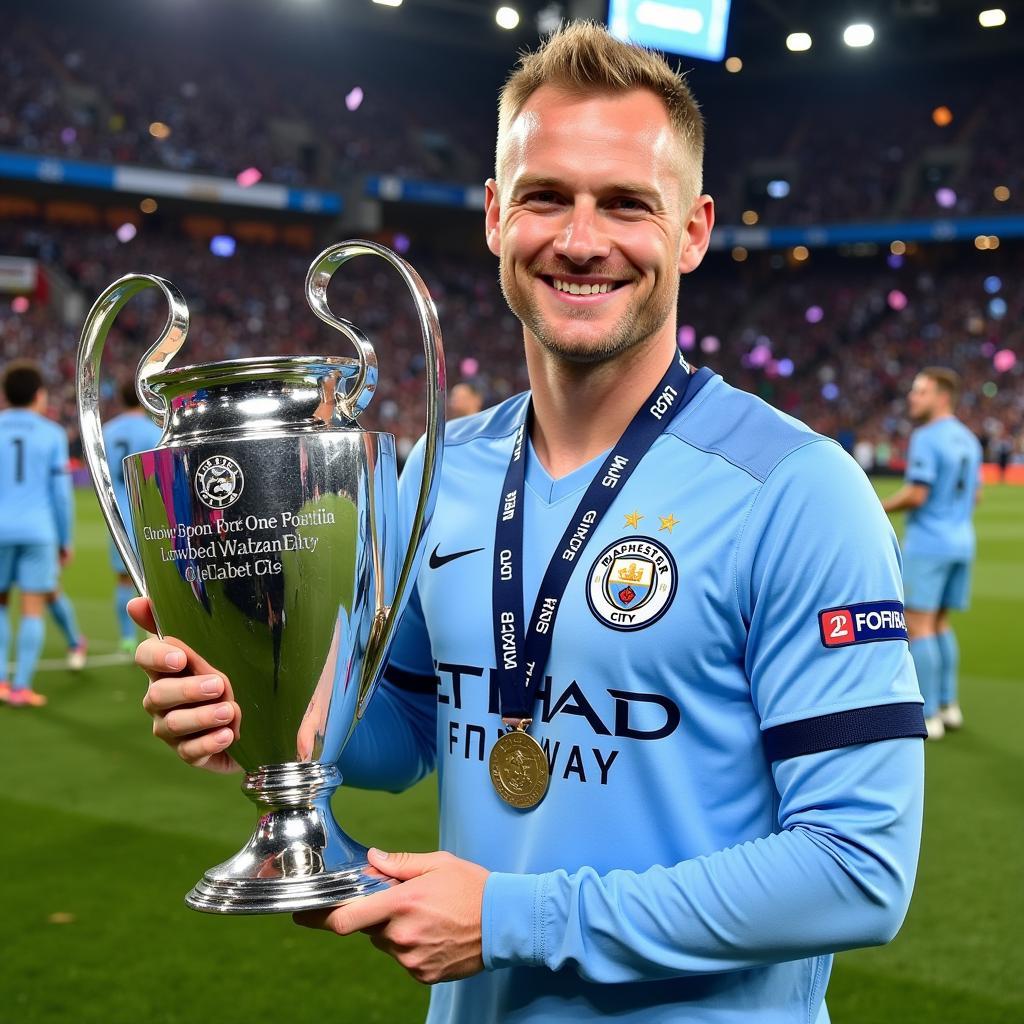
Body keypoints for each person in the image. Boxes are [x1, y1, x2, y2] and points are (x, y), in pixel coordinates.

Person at [132, 23, 926, 1024]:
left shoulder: (799, 489)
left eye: (627, 203)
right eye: (546, 196)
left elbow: (857, 869)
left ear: (691, 229)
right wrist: (249, 689)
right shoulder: (442, 467)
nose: (581, 239)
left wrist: (518, 917)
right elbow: (411, 730)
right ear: (496, 216)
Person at [882, 368, 982, 740]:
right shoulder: (970, 439)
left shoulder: (926, 437)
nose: (912, 397)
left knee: (919, 625)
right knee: (941, 623)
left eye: (920, 392)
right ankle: (950, 705)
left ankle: (928, 714)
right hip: (962, 541)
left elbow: (917, 494)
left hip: (929, 543)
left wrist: (880, 506)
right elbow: (977, 495)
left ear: (942, 397)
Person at [0, 361, 73, 707]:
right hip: (37, 530)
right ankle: (21, 688)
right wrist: (65, 539)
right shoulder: (52, 434)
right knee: (32, 609)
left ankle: (0, 681)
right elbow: (61, 495)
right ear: (39, 395)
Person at [102, 382, 163, 653]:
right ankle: (157, 635)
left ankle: (126, 638)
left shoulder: (106, 431)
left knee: (123, 579)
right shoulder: (154, 431)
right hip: (148, 514)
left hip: (117, 516)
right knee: (155, 580)